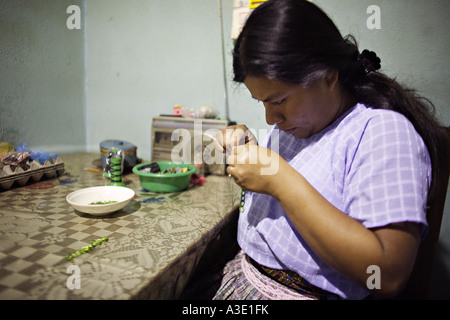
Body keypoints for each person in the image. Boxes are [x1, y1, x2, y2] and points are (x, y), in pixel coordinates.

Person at [212, 0, 447, 300]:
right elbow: (313, 176)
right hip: (243, 275)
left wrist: (280, 181)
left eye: (279, 100)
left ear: (328, 75)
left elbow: (386, 274)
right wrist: (251, 151)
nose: (270, 119)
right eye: (263, 103)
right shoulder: (297, 124)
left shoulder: (382, 133)